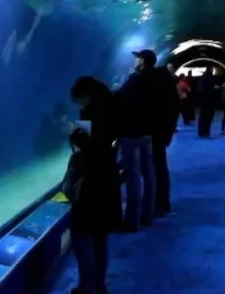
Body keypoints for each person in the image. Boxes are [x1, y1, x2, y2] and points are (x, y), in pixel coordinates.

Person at [66, 76, 122, 294]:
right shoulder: (113, 106)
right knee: (100, 236)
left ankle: (87, 286)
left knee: (81, 235)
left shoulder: (93, 113)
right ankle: (99, 285)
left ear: (86, 95)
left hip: (92, 182)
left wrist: (73, 133)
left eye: (79, 101)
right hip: (108, 178)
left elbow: (92, 148)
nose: (79, 106)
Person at [114, 50, 158, 230]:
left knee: (132, 175)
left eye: (138, 57)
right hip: (148, 131)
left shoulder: (136, 78)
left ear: (143, 61)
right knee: (148, 172)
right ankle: (147, 214)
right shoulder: (156, 78)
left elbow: (121, 97)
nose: (135, 60)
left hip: (132, 131)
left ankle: (131, 221)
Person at [152, 57, 181, 217]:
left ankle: (158, 204)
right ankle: (163, 203)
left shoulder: (161, 95)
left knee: (156, 169)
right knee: (160, 168)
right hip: (162, 134)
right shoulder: (171, 94)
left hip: (156, 134)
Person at [196, 67, 222, 137]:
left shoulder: (202, 79)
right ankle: (206, 131)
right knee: (209, 117)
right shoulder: (212, 79)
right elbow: (215, 88)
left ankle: (201, 132)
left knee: (202, 117)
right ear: (211, 70)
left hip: (203, 101)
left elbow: (199, 89)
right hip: (211, 101)